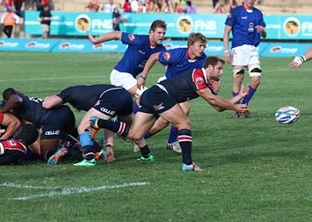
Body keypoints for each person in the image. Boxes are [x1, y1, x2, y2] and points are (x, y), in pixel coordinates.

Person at [90, 56, 248, 172]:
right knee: (183, 123)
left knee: (135, 135)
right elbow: (212, 98)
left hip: (152, 95)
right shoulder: (198, 75)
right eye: (219, 68)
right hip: (159, 94)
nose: (221, 72)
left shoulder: (204, 82)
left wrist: (238, 99)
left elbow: (218, 107)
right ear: (209, 67)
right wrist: (235, 108)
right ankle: (187, 163)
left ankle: (99, 122)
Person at [137, 32, 208, 153]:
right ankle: (139, 137)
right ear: (191, 45)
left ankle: (144, 139)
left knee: (164, 121)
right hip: (165, 87)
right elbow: (154, 56)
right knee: (183, 111)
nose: (202, 49)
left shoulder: (203, 60)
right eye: (200, 45)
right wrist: (143, 76)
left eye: (204, 46)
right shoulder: (177, 54)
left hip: (180, 91)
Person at [42, 84, 134, 166]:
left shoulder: (68, 92)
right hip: (125, 96)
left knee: (83, 127)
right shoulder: (89, 95)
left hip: (112, 96)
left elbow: (47, 104)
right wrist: (109, 146)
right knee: (133, 130)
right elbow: (108, 123)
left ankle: (89, 159)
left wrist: (48, 98)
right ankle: (144, 147)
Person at [87, 19, 167, 101]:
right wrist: (96, 41)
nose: (162, 36)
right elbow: (117, 34)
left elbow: (168, 66)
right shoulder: (139, 40)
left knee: (136, 104)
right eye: (159, 32)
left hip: (130, 78)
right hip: (120, 75)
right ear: (151, 32)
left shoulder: (161, 49)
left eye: (164, 33)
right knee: (148, 96)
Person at [0, 88, 77, 161]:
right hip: (65, 112)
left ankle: (72, 151)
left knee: (47, 156)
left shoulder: (17, 100)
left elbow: (15, 99)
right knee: (71, 131)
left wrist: (3, 110)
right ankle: (80, 144)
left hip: (52, 118)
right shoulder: (27, 101)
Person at [223, 0, 267, 119]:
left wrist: (262, 30)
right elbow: (226, 32)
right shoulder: (235, 12)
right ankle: (237, 109)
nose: (251, 0)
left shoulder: (258, 13)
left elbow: (264, 34)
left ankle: (244, 106)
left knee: (256, 80)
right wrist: (226, 50)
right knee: (238, 79)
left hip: (253, 50)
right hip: (239, 50)